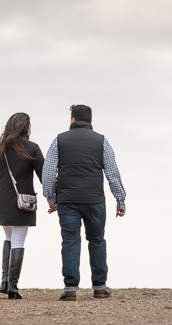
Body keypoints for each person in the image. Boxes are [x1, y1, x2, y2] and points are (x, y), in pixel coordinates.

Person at [42, 104, 126, 301]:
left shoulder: (59, 140)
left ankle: (70, 289)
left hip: (67, 200)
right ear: (90, 121)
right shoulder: (102, 141)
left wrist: (51, 198)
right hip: (94, 200)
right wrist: (120, 200)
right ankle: (99, 287)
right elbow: (113, 174)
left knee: (70, 241)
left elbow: (48, 173)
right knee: (97, 240)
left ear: (72, 120)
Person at [0, 112, 44, 299]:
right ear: (27, 127)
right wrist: (53, 197)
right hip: (22, 201)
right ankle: (13, 287)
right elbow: (44, 176)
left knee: (8, 237)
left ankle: (4, 281)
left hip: (1, 201)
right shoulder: (32, 148)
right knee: (18, 241)